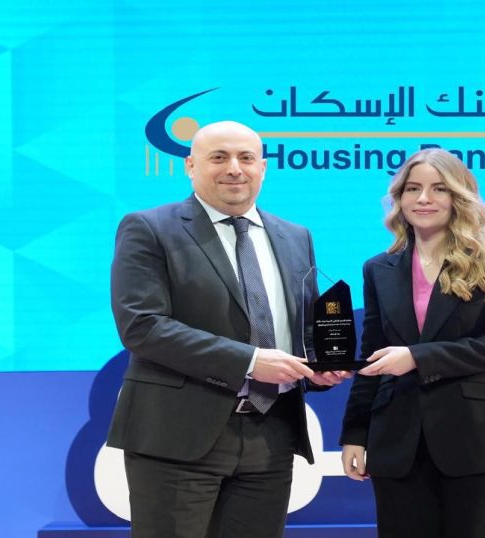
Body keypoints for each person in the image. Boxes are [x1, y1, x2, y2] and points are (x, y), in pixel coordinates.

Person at [107, 120, 348, 538]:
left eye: (246, 158)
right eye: (219, 157)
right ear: (190, 166)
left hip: (271, 435)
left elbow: (300, 328)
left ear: (263, 167)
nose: (234, 168)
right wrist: (250, 362)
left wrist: (318, 368)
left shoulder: (295, 236)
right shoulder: (149, 227)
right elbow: (142, 326)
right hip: (178, 436)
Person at [339, 148, 485, 538]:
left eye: (439, 189)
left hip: (481, 443)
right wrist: (355, 434)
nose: (424, 198)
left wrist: (418, 357)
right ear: (399, 199)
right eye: (413, 189)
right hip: (399, 445)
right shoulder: (378, 268)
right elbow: (372, 355)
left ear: (459, 196)